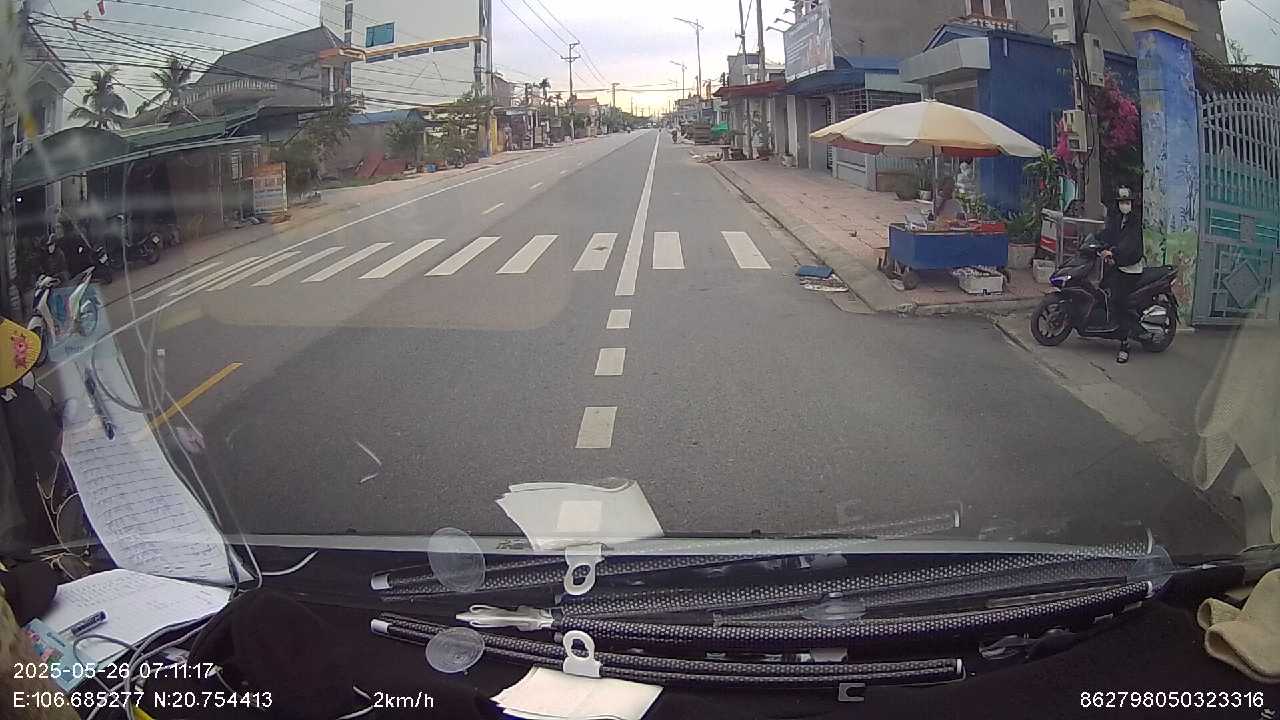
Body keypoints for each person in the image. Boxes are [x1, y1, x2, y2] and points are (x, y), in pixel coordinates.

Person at [1101, 186, 1145, 364]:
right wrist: (1094, 241)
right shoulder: (1118, 219)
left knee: (1120, 301)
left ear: (1131, 204)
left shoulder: (1134, 222)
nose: (1124, 205)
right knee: (1104, 288)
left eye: (1127, 202)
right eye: (1121, 202)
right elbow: (1108, 235)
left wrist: (1114, 253)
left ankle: (1124, 345)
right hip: (1119, 265)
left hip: (1131, 269)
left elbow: (1130, 246)